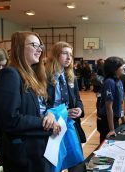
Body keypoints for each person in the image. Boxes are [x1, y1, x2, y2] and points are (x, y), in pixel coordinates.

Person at [0, 31, 61, 172]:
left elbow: (38, 109)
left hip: (37, 151)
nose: (40, 49)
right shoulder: (10, 75)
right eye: (34, 45)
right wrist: (44, 123)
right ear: (19, 48)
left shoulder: (31, 76)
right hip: (23, 157)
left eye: (41, 46)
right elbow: (10, 119)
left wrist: (49, 115)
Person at [45, 41, 85, 171]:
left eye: (71, 54)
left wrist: (79, 109)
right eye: (65, 53)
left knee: (77, 161)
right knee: (55, 163)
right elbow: (41, 105)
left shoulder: (71, 76)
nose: (69, 58)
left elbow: (77, 99)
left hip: (69, 124)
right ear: (56, 55)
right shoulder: (44, 77)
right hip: (53, 125)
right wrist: (60, 113)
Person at [97, 56, 125, 143]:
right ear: (114, 69)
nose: (124, 67)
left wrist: (123, 120)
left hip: (115, 119)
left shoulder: (119, 81)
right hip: (107, 121)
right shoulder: (109, 82)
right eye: (122, 66)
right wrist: (111, 129)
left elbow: (120, 103)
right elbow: (109, 107)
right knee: (106, 144)